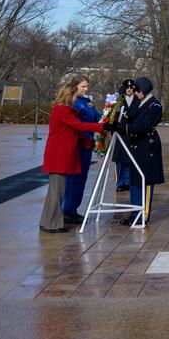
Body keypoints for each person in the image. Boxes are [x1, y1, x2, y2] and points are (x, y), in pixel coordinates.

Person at [40, 74, 111, 233]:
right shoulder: (62, 110)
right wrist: (103, 128)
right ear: (69, 95)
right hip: (59, 156)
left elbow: (76, 130)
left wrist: (89, 142)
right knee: (57, 192)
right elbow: (79, 125)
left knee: (54, 192)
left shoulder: (67, 109)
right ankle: (53, 224)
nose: (76, 99)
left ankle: (47, 221)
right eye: (74, 95)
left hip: (61, 156)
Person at [121, 76, 164, 226]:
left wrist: (126, 128)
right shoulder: (137, 103)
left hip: (147, 144)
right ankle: (135, 212)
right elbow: (128, 117)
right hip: (136, 144)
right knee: (135, 180)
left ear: (145, 90)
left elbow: (145, 125)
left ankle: (143, 214)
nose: (135, 93)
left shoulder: (154, 105)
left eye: (138, 90)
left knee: (145, 180)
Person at [60, 79, 101, 224]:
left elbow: (97, 116)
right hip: (78, 144)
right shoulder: (72, 103)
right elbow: (77, 125)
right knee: (73, 179)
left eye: (87, 86)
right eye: (83, 86)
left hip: (87, 144)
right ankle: (67, 210)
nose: (86, 89)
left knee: (82, 179)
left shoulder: (86, 101)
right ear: (75, 87)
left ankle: (73, 209)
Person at [109, 78, 136, 192]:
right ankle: (120, 183)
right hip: (120, 132)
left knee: (129, 159)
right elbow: (111, 114)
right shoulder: (118, 100)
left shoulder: (136, 100)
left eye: (131, 88)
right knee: (119, 159)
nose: (129, 89)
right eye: (127, 87)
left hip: (131, 132)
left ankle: (128, 181)